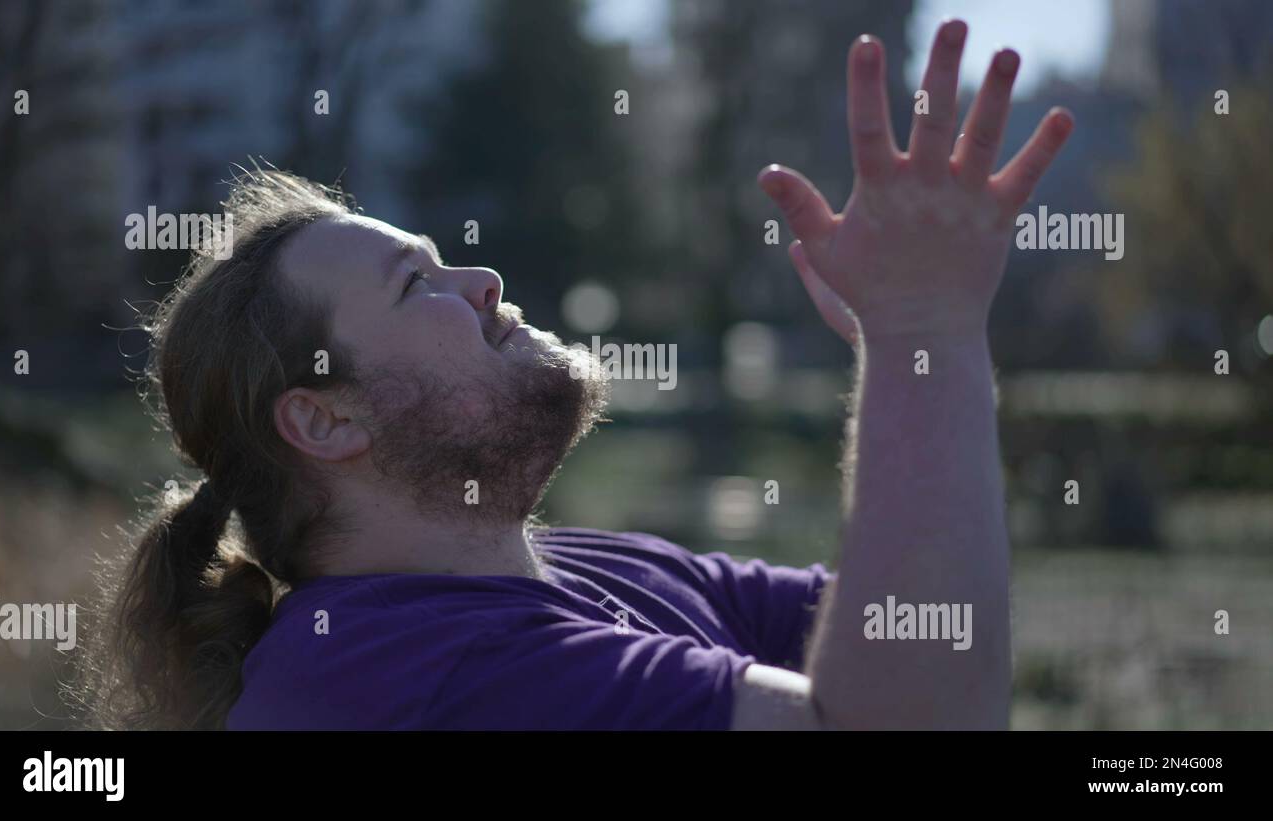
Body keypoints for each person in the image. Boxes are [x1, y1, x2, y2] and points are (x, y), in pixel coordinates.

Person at [73, 19, 1072, 730]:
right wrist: (919, 328)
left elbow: (933, 622)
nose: (484, 279)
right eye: (415, 279)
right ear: (324, 421)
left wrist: (911, 352)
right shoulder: (388, 679)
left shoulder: (595, 566)